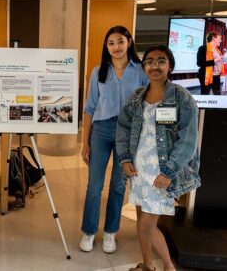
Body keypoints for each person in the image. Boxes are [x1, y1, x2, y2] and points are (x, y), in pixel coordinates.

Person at [116, 45, 201, 271]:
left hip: (162, 171)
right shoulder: (137, 97)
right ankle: (147, 265)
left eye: (161, 61)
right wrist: (125, 159)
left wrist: (169, 171)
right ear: (144, 67)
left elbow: (188, 139)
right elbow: (123, 128)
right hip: (139, 168)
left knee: (146, 226)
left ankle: (168, 267)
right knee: (141, 218)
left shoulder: (182, 97)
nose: (155, 65)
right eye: (150, 61)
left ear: (170, 66)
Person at [80, 25, 148, 254]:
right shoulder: (98, 71)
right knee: (94, 186)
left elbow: (148, 105)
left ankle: (110, 232)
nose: (116, 47)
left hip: (128, 131)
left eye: (120, 41)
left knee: (119, 185)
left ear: (129, 42)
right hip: (101, 129)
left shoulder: (140, 71)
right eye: (111, 43)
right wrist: (84, 142)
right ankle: (89, 231)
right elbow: (89, 109)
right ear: (106, 47)